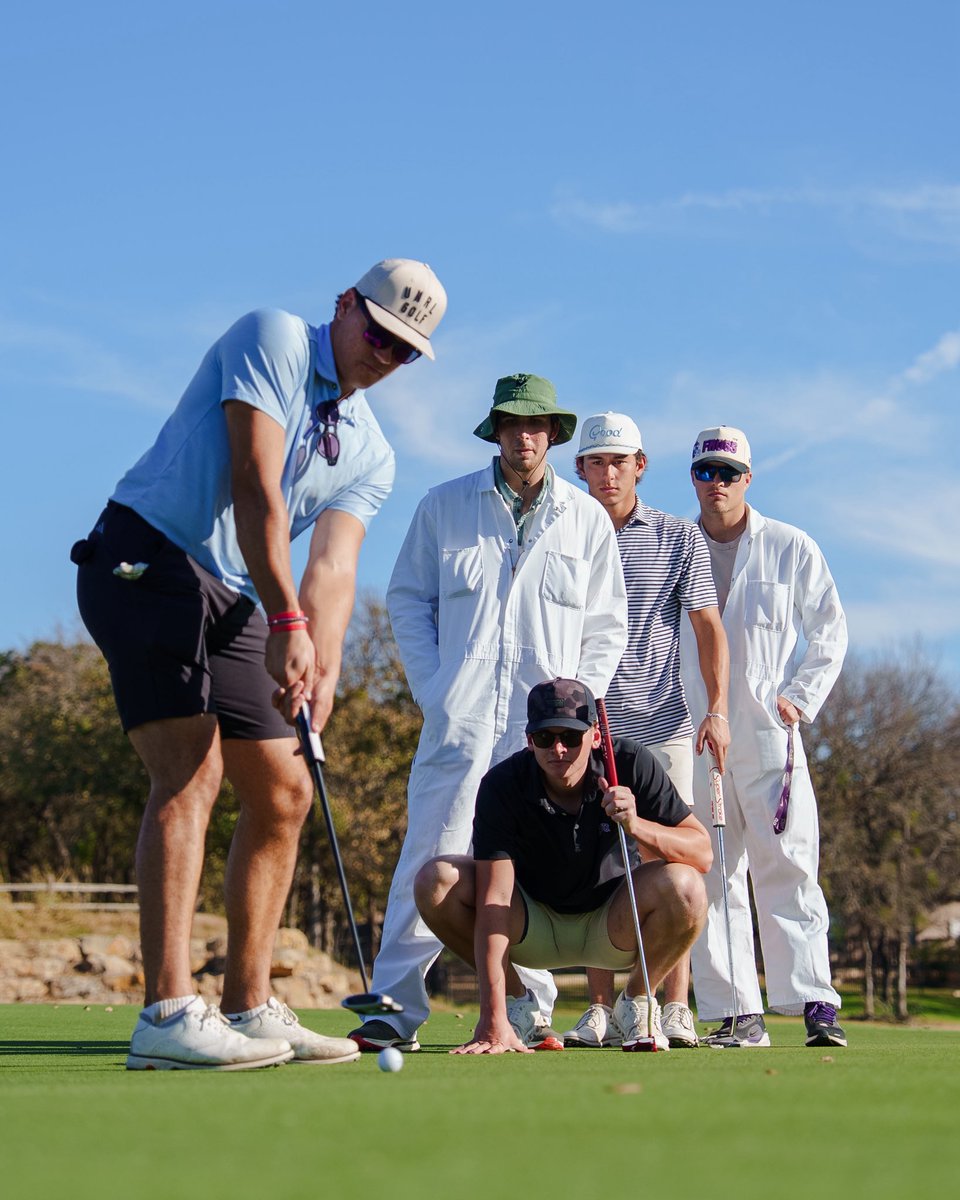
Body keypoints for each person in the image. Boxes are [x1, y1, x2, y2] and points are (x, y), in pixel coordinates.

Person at [71, 258, 447, 1070]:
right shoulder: (272, 337)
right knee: (191, 770)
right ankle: (167, 1012)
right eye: (379, 333)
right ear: (345, 305)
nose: (385, 355)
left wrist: (323, 668)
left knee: (285, 788)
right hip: (146, 555)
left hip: (238, 592)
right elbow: (255, 485)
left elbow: (334, 567)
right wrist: (285, 621)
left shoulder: (373, 453)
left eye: (405, 350)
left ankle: (248, 1007)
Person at [351, 375, 628, 1052]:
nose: (524, 436)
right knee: (431, 848)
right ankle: (395, 1009)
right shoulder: (444, 506)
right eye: (512, 423)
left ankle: (531, 1010)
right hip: (461, 716)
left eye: (536, 425)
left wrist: (576, 706)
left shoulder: (586, 519)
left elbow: (607, 626)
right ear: (496, 430)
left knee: (529, 863)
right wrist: (434, 687)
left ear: (553, 434)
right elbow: (408, 598)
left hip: (546, 731)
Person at [414, 678, 712, 1053]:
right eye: (545, 737)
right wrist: (491, 1015)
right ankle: (517, 1005)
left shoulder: (631, 763)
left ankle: (636, 999)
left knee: (687, 886)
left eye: (571, 737)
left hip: (614, 925)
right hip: (533, 926)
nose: (558, 749)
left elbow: (702, 853)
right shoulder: (503, 785)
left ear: (595, 736)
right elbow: (495, 901)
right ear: (529, 740)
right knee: (435, 880)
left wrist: (637, 825)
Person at [563, 411, 729, 1049]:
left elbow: (707, 626)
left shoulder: (678, 537)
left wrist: (717, 708)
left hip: (660, 723)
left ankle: (673, 1005)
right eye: (596, 462)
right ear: (580, 468)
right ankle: (600, 1010)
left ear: (640, 466)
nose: (608, 474)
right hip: (586, 727)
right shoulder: (563, 531)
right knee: (596, 863)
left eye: (619, 462)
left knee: (669, 855)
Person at [680, 425, 848, 1048]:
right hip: (694, 733)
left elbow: (830, 629)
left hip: (769, 733)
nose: (717, 483)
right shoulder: (675, 547)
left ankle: (815, 1002)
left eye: (728, 473)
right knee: (712, 871)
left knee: (790, 864)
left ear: (748, 478)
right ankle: (735, 1013)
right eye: (706, 472)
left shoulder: (790, 546)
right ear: (693, 478)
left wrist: (799, 696)